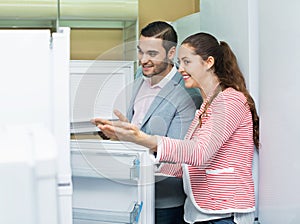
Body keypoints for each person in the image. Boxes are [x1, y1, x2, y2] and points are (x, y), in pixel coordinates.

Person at [92, 32, 260, 224]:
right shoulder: (208, 104)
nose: (181, 69)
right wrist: (131, 145)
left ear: (209, 62)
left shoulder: (229, 100)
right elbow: (183, 164)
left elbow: (199, 153)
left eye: (187, 62)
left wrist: (142, 138)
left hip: (224, 214)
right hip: (201, 212)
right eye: (180, 62)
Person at [127, 21, 202, 224]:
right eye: (140, 52)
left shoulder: (188, 93)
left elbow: (177, 152)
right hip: (132, 192)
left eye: (152, 54)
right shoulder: (139, 75)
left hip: (164, 200)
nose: (143, 60)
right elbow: (136, 121)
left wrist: (133, 139)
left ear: (171, 54)